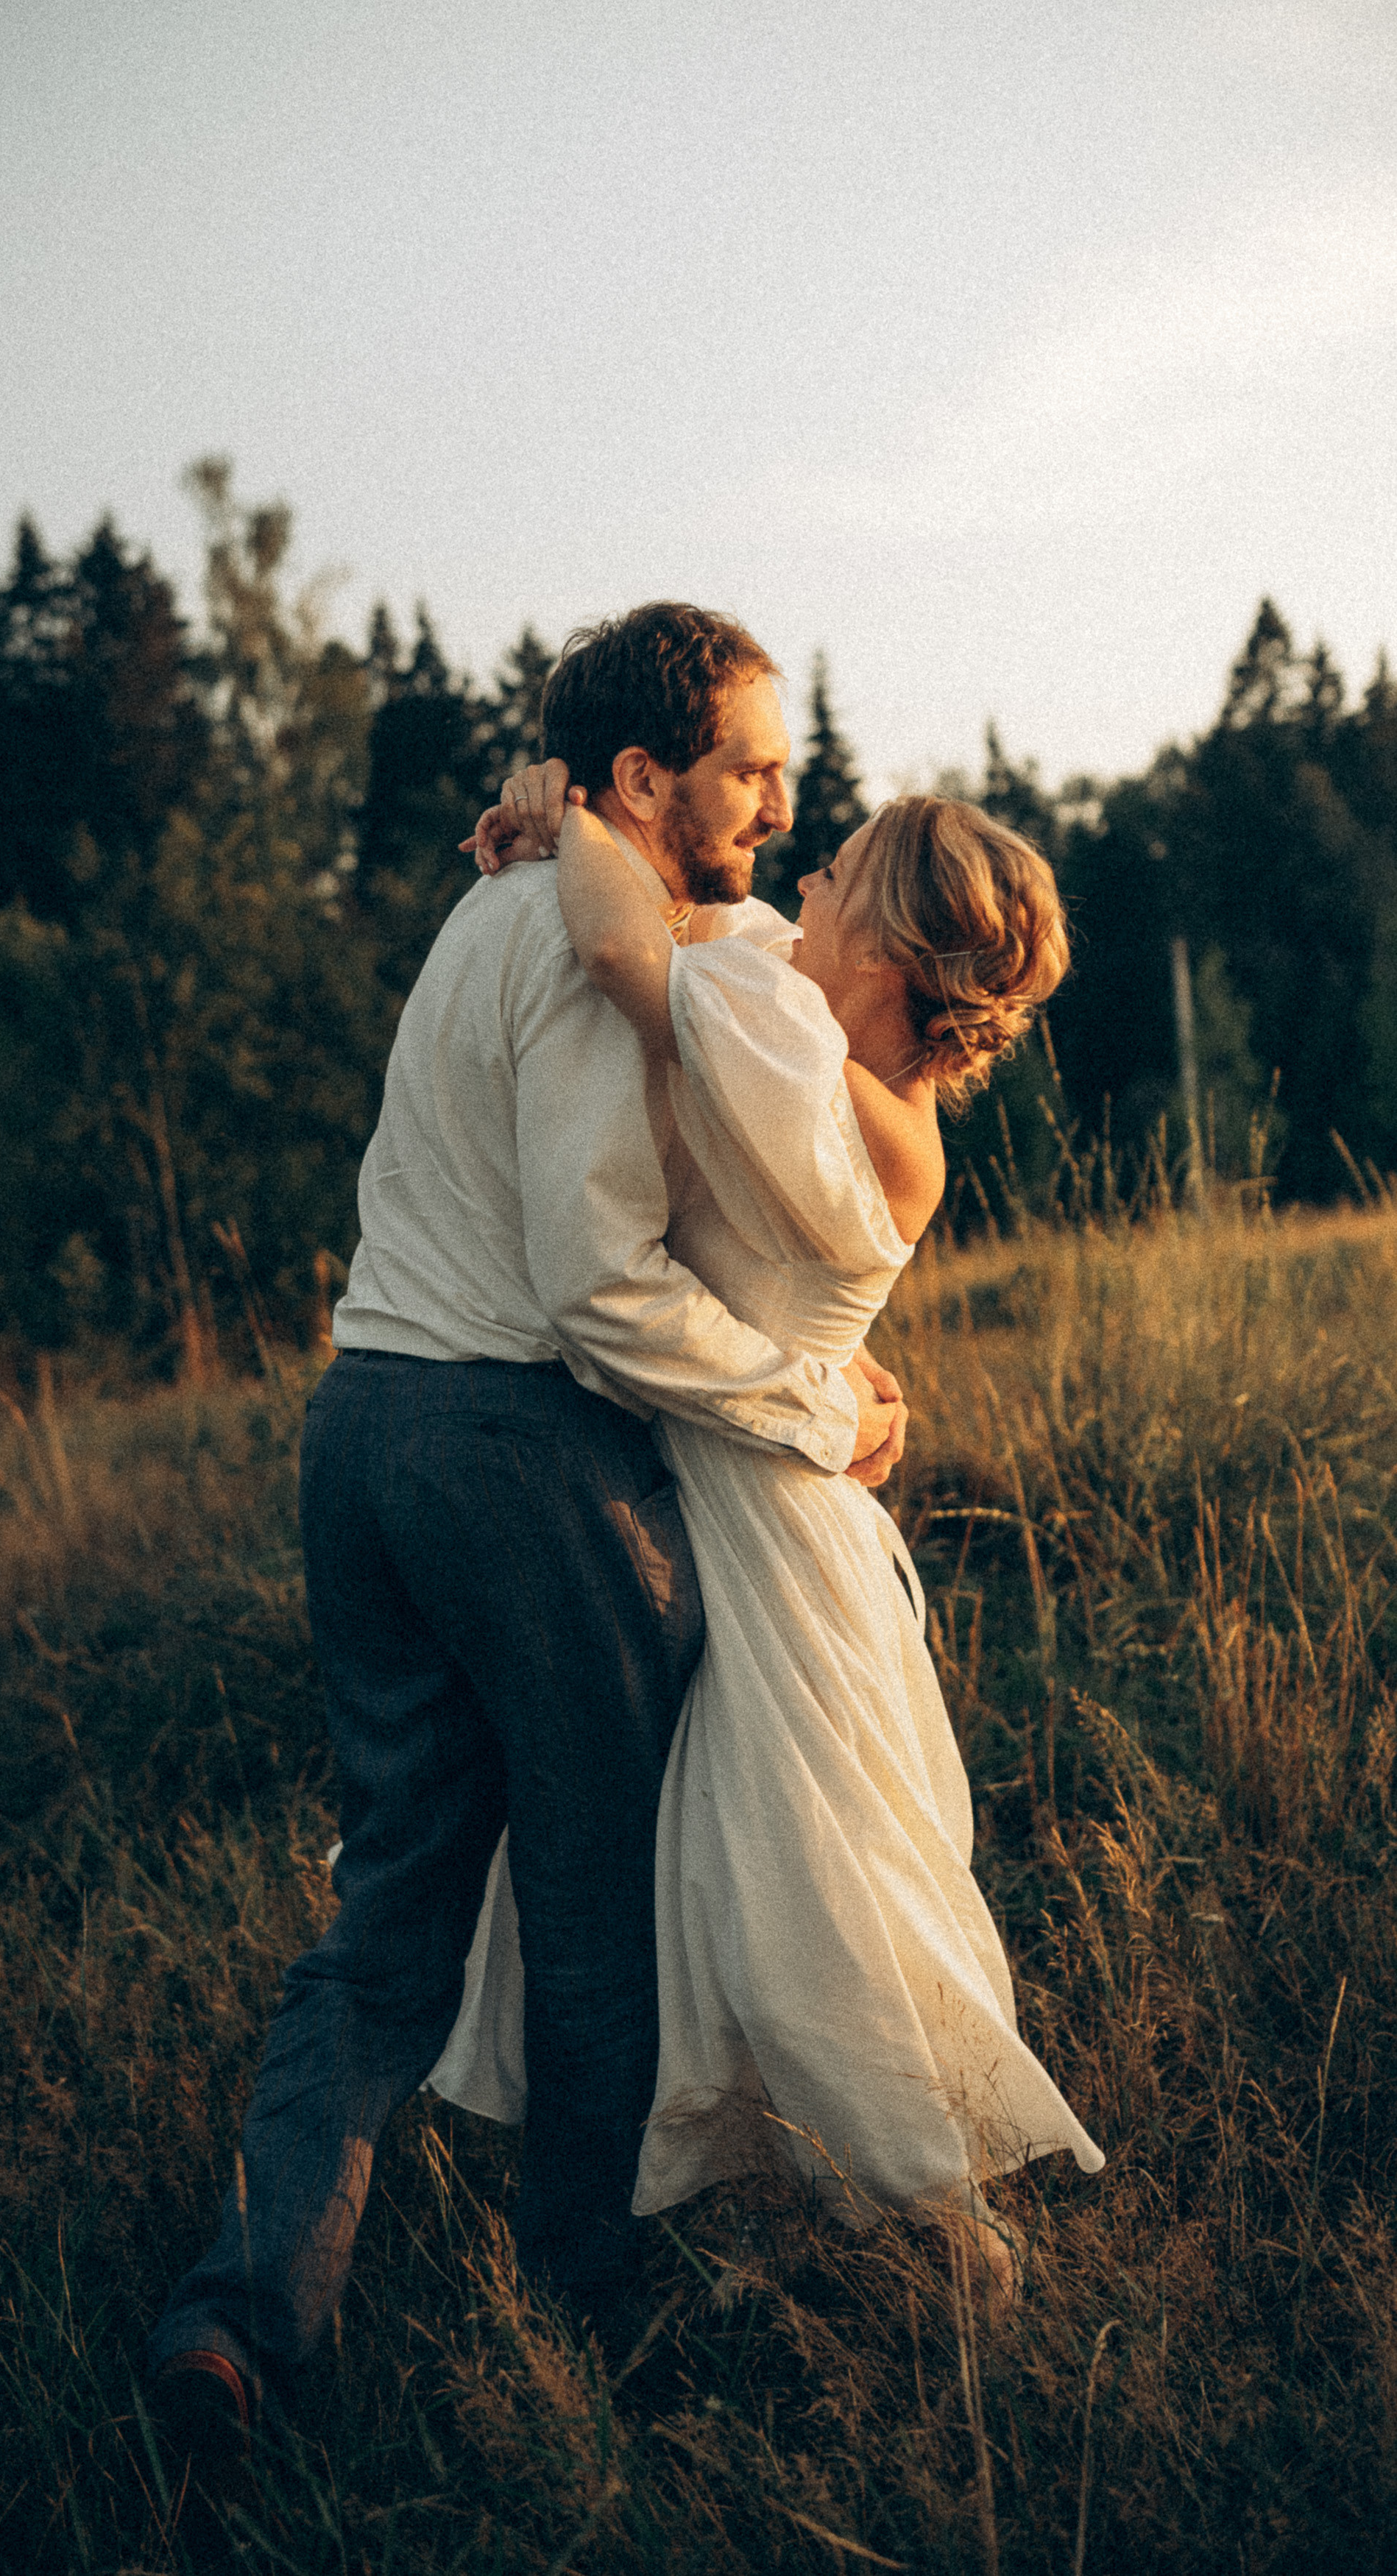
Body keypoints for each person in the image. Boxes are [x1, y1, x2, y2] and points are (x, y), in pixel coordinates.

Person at [144, 604, 908, 2474]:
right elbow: (596, 1294)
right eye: (745, 767)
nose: (773, 801)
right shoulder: (582, 948)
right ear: (644, 779)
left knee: (392, 1910)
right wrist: (822, 1411)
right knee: (591, 1903)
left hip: (363, 1430)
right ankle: (592, 2304)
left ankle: (244, 2324)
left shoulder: (494, 911)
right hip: (519, 1452)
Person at [430, 775, 1105, 2301]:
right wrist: (592, 828)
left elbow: (632, 960)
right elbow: (707, 936)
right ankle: (764, 2225)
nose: (798, 881)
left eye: (837, 870)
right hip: (732, 1487)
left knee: (793, 1886)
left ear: (881, 941)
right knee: (717, 1880)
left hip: (764, 1525)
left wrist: (583, 814)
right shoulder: (814, 1039)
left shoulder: (834, 1080)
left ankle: (942, 2231)